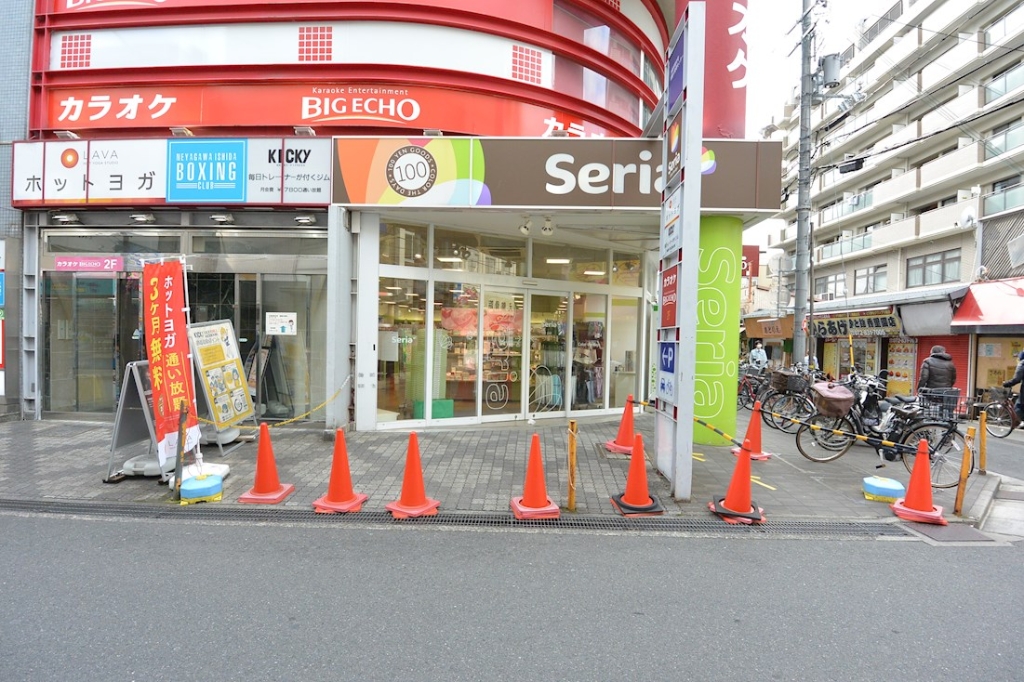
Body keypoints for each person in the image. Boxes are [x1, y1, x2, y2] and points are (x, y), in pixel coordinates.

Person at [1002, 350, 1024, 424]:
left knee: (1019, 405)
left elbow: (1016, 379)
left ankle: (1020, 422)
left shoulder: (1022, 364)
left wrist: (1006, 383)